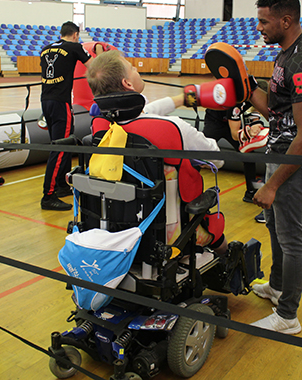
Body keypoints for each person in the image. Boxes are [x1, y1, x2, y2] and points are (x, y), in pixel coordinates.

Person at [248, 0, 302, 334]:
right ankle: (278, 286)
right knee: (274, 227)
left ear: (286, 20)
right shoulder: (286, 54)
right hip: (280, 147)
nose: (259, 27)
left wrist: (272, 183)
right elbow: (278, 111)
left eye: (264, 21)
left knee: (292, 236)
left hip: (297, 160)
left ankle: (287, 315)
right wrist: (248, 90)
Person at [85, 49, 228, 253]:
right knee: (215, 229)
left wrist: (180, 99)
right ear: (128, 84)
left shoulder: (101, 127)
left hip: (116, 227)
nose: (136, 68)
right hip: (169, 232)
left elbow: (143, 116)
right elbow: (217, 159)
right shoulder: (173, 128)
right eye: (132, 67)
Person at [40, 21, 95, 211]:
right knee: (61, 147)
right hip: (61, 102)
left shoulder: (45, 49)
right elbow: (94, 67)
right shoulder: (74, 47)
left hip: (45, 101)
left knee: (62, 143)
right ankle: (48, 195)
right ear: (75, 34)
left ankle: (61, 186)